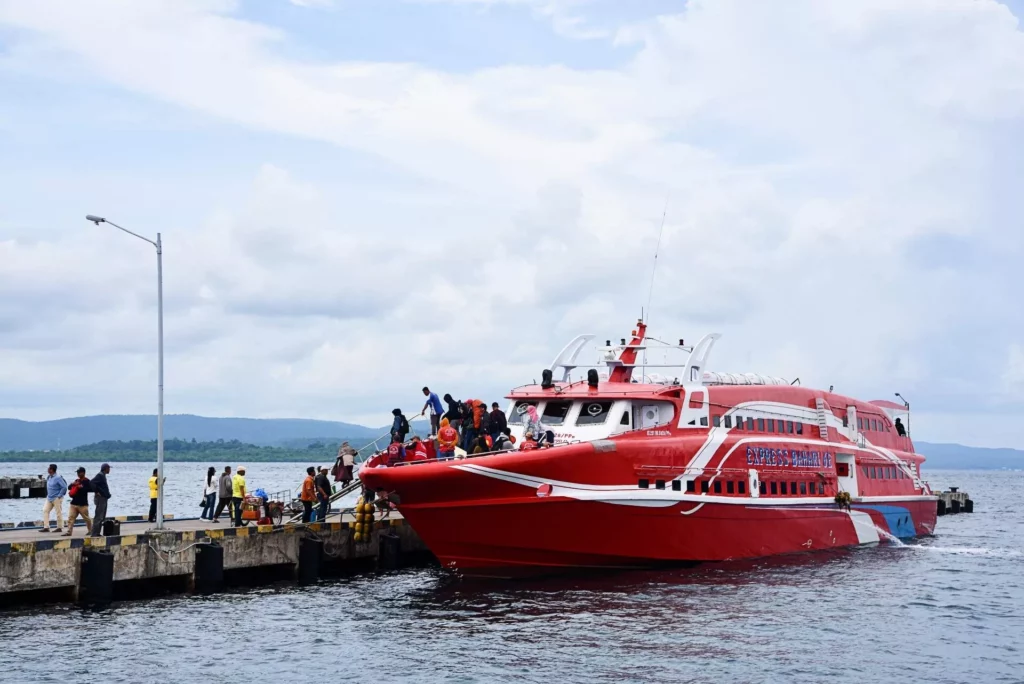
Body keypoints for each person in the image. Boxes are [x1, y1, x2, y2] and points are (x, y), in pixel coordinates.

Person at [63, 467, 93, 537]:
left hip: (83, 504)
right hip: (74, 503)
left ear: (83, 473)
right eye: (77, 473)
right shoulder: (77, 480)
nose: (78, 474)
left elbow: (91, 489)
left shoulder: (87, 481)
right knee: (71, 518)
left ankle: (90, 530)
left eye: (79, 473)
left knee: (87, 518)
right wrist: (72, 484)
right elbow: (69, 488)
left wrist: (82, 487)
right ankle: (69, 532)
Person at [40, 464, 68, 533]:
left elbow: (64, 487)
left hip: (56, 498)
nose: (48, 470)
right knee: (45, 510)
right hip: (49, 498)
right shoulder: (49, 477)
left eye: (49, 469)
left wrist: (59, 495)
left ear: (52, 470)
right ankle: (46, 527)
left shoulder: (58, 478)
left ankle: (59, 527)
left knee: (58, 512)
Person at [90, 463, 112, 537]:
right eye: (108, 468)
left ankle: (97, 532)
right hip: (101, 498)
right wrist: (96, 492)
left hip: (104, 498)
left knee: (102, 516)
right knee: (99, 516)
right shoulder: (100, 475)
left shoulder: (103, 475)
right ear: (105, 468)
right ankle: (94, 533)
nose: (109, 470)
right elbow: (91, 482)